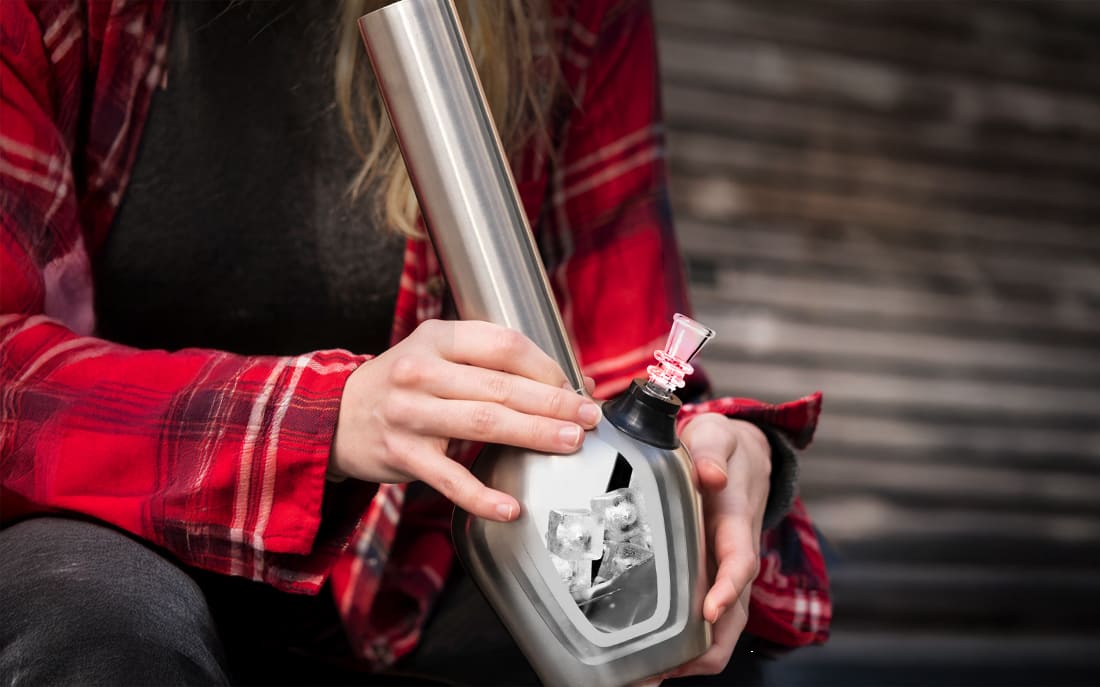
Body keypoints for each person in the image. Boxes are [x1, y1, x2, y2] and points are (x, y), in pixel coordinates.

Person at [0, 0, 831, 684]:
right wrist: (330, 419)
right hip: (99, 533)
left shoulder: (570, 17)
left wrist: (721, 456)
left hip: (409, 560)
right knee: (97, 625)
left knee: (668, 635)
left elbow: (628, 365)